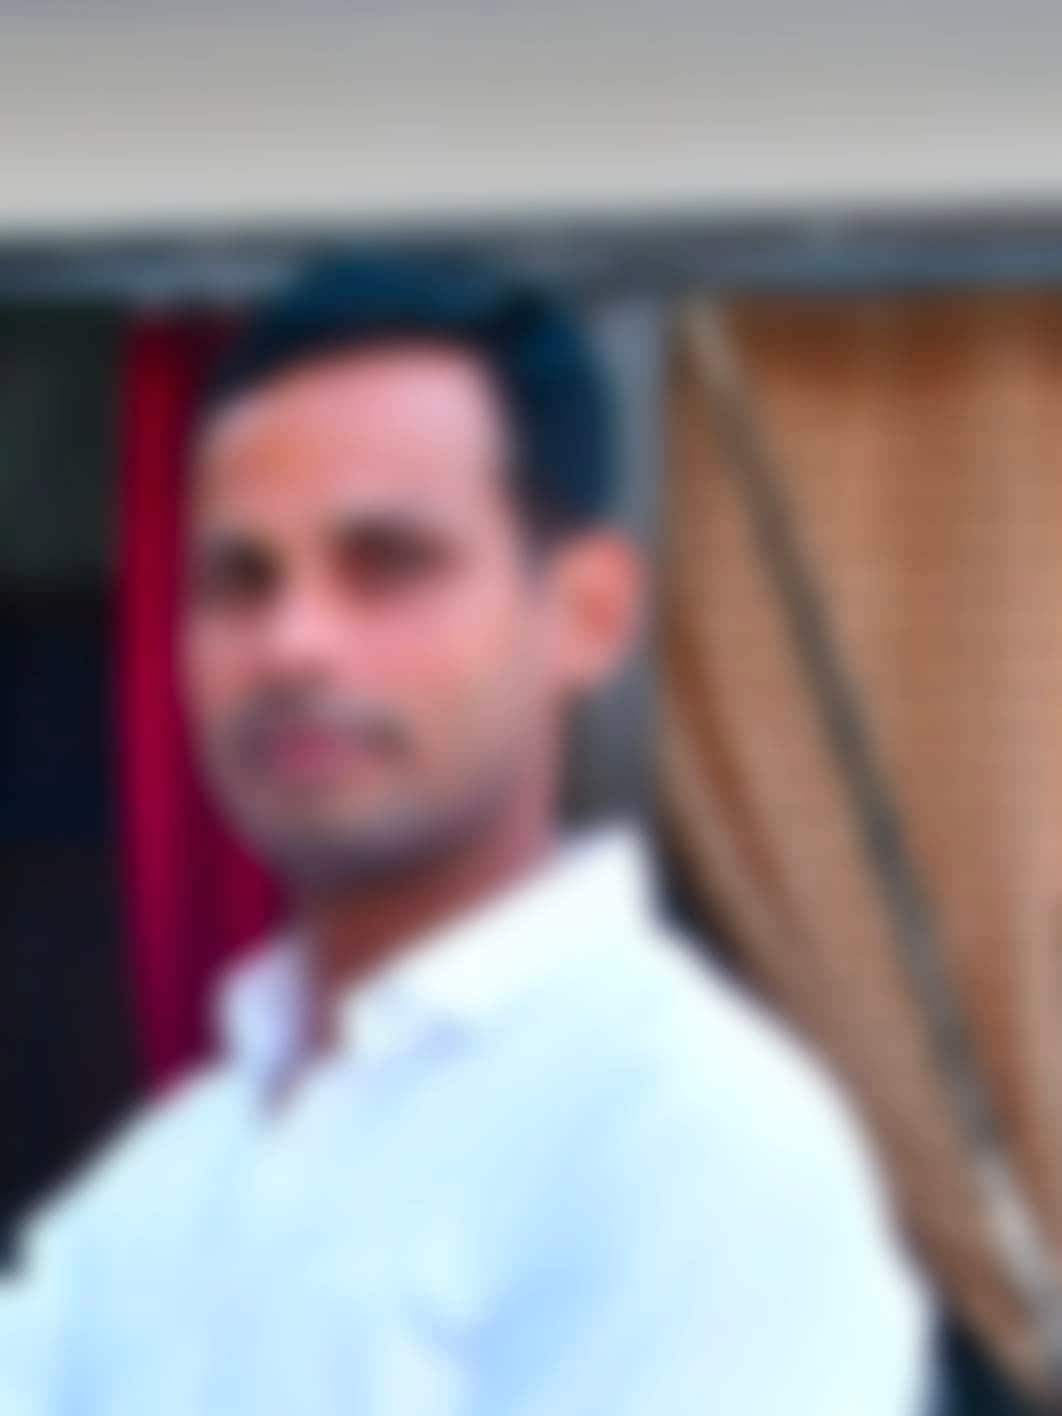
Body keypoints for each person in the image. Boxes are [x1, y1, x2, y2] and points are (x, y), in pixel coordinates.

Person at [1, 255, 928, 1414]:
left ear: (587, 612)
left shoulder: (685, 1143)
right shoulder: (168, 1189)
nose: (293, 644)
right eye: (240, 579)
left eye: (387, 565)